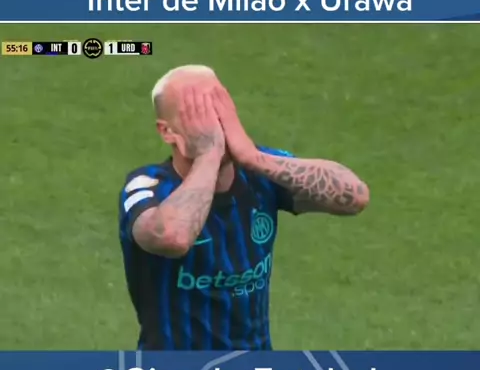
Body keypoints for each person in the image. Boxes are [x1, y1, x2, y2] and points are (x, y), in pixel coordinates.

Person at [119, 65, 369, 350]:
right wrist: (209, 155)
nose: (214, 123)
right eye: (197, 112)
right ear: (167, 132)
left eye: (218, 107)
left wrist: (253, 157)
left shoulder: (260, 170)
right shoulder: (148, 186)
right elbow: (172, 237)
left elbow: (355, 196)